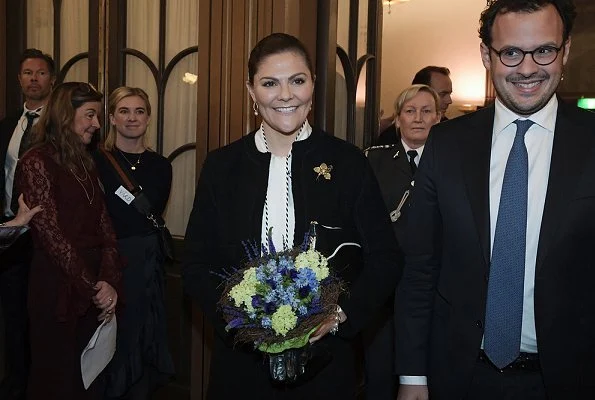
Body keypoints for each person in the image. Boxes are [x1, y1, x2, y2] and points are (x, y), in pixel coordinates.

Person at [182, 32, 401, 399]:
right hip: (241, 369)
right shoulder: (222, 166)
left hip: (326, 367)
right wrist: (239, 322)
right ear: (251, 91)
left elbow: (386, 259)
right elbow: (194, 264)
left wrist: (340, 317)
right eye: (270, 83)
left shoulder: (349, 163)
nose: (285, 95)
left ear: (312, 85)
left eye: (297, 80)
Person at [395, 0, 595, 399]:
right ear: (486, 55)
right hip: (459, 376)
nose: (526, 68)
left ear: (565, 51)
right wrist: (412, 376)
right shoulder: (447, 145)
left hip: (572, 377)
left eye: (543, 50)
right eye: (510, 52)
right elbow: (419, 268)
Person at [16, 82, 121, 400]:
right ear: (65, 115)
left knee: (89, 381)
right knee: (57, 378)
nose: (97, 124)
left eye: (98, 116)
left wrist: (109, 280)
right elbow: (51, 236)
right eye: (90, 115)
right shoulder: (36, 161)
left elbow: (106, 226)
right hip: (56, 284)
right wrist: (92, 286)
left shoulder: (85, 161)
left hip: (93, 284)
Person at [93, 86, 174, 399]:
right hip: (106, 262)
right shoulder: (96, 161)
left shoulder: (160, 166)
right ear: (111, 117)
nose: (132, 118)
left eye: (139, 111)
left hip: (144, 262)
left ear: (148, 118)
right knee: (110, 339)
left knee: (142, 336)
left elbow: (143, 214)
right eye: (124, 111)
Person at [363, 84, 440, 400]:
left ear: (439, 117)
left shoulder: (454, 164)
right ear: (397, 119)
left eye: (426, 111)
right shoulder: (373, 161)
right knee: (379, 373)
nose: (418, 118)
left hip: (433, 289)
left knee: (428, 376)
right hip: (385, 292)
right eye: (410, 111)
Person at [0, 48, 55, 400]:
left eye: (40, 73)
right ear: (19, 79)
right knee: (13, 315)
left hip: (48, 237)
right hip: (9, 235)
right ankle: (16, 383)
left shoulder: (58, 127)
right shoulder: (8, 126)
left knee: (45, 316)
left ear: (52, 80)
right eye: (27, 72)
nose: (33, 78)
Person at [377, 66, 452, 145]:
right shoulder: (389, 139)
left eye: (426, 111)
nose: (449, 101)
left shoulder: (453, 132)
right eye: (443, 94)